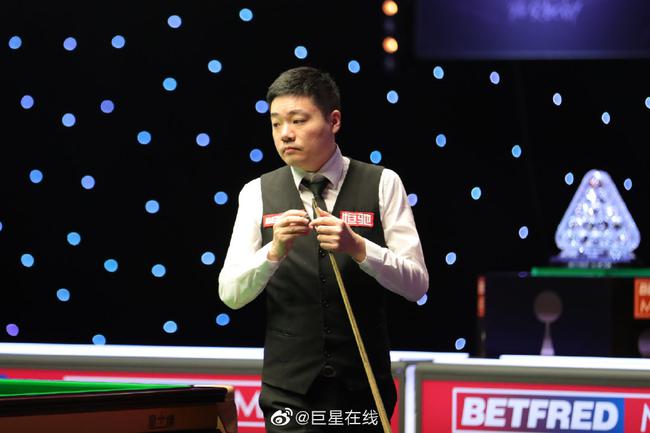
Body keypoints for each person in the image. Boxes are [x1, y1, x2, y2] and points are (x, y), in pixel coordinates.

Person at [218, 66, 428, 432]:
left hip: (364, 390)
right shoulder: (256, 192)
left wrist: (359, 248)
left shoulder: (383, 183)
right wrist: (273, 252)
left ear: (334, 121)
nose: (285, 133)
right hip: (289, 394)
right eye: (276, 123)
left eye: (298, 120)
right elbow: (231, 295)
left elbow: (416, 285)